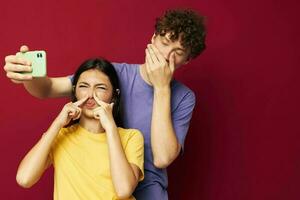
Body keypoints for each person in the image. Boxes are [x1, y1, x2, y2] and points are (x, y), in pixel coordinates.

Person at [4, 9, 206, 199]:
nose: (165, 55)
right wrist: (29, 75)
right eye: (164, 42)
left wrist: (162, 88)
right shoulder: (110, 75)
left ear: (186, 60)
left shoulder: (183, 98)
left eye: (178, 52)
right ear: (153, 39)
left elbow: (162, 158)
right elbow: (47, 88)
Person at [16, 58, 144, 200]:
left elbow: (124, 190)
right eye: (84, 86)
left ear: (114, 95)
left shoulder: (131, 137)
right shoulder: (60, 135)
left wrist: (110, 127)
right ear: (74, 91)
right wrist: (58, 123)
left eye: (101, 87)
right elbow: (24, 179)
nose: (90, 95)